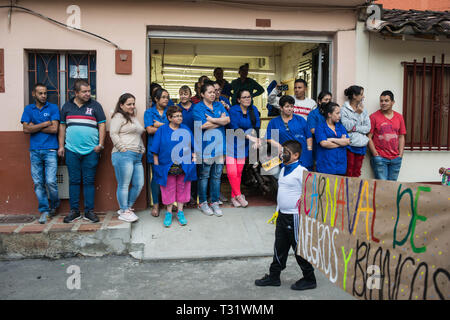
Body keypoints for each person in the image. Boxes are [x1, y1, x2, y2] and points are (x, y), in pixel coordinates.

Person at [255, 140, 317, 291]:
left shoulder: (302, 171)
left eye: (286, 152)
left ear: (296, 155)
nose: (283, 154)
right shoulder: (283, 170)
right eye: (282, 151)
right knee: (279, 247)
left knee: (298, 248)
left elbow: (313, 192)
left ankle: (310, 279)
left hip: (295, 217)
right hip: (282, 216)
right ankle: (274, 276)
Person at [58, 79, 106, 223]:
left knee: (89, 181)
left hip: (91, 151)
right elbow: (62, 127)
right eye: (84, 92)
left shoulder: (95, 106)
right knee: (74, 181)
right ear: (76, 92)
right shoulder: (67, 106)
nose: (88, 94)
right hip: (71, 150)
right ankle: (74, 211)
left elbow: (102, 125)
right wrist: (61, 146)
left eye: (89, 91)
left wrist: (100, 144)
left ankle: (89, 211)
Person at [151, 106, 197, 227]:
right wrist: (157, 166)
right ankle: (169, 213)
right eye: (176, 116)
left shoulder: (186, 129)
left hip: (184, 165)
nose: (179, 118)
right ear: (169, 118)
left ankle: (180, 212)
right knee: (168, 189)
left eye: (180, 116)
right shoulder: (162, 130)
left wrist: (193, 158)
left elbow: (193, 147)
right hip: (166, 166)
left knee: (182, 188)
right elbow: (155, 150)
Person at [21, 83, 60, 224]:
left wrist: (34, 127)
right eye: (40, 93)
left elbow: (54, 129)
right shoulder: (28, 109)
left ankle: (55, 205)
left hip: (50, 150)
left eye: (45, 93)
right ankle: (44, 210)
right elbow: (25, 130)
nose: (43, 96)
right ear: (34, 94)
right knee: (38, 183)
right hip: (35, 150)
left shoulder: (53, 108)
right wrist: (45, 124)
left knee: (50, 182)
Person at [193, 81, 230, 217]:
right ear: (202, 94)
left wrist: (213, 120)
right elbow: (202, 126)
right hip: (206, 148)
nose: (213, 94)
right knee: (204, 176)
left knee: (216, 176)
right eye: (209, 92)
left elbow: (227, 120)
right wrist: (219, 121)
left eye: (214, 92)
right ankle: (202, 202)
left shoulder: (219, 105)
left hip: (220, 146)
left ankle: (214, 202)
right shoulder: (197, 108)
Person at [110, 93, 145, 223]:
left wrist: (142, 148)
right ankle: (124, 210)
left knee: (139, 184)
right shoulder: (118, 117)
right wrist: (122, 148)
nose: (132, 106)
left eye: (133, 104)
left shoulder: (133, 117)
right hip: (123, 154)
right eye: (129, 104)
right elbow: (113, 134)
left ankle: (127, 207)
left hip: (136, 156)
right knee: (124, 184)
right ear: (121, 105)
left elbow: (138, 134)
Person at [227, 89, 261, 208]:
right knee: (232, 172)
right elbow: (235, 128)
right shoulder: (234, 110)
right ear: (238, 100)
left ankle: (233, 197)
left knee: (239, 172)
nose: (248, 99)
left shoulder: (254, 109)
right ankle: (239, 195)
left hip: (244, 145)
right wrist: (250, 138)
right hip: (232, 143)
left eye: (249, 97)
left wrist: (256, 139)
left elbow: (257, 126)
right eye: (244, 97)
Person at [265, 95, 313, 171]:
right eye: (287, 106)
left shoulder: (300, 120)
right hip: (285, 155)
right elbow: (269, 138)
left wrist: (309, 149)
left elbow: (309, 136)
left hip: (303, 155)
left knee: (304, 179)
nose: (290, 109)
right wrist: (279, 146)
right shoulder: (274, 122)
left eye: (291, 106)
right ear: (281, 108)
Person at [367, 90, 406, 181]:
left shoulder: (399, 117)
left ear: (393, 102)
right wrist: (375, 154)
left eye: (386, 101)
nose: (383, 103)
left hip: (396, 158)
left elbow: (401, 136)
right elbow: (369, 137)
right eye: (381, 101)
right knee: (382, 186)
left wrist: (400, 154)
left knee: (392, 187)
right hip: (380, 158)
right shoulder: (373, 117)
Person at [144, 88, 170, 217]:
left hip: (169, 151)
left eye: (167, 97)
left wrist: (159, 125)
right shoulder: (149, 112)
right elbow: (149, 130)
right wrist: (165, 126)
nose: (166, 99)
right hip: (154, 151)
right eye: (164, 97)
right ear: (156, 99)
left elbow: (175, 126)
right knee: (155, 178)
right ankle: (156, 204)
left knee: (169, 177)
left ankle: (168, 203)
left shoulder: (170, 112)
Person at [340, 86, 370, 177]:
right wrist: (357, 114)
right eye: (361, 94)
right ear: (354, 96)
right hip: (350, 144)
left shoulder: (363, 110)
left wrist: (354, 128)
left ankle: (355, 191)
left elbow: (368, 128)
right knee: (349, 170)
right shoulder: (344, 110)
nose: (363, 96)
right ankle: (347, 191)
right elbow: (347, 127)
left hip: (361, 145)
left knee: (357, 172)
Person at [315, 102, 350, 175]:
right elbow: (324, 143)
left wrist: (332, 139)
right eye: (337, 113)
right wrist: (341, 142)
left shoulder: (340, 126)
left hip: (340, 166)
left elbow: (347, 141)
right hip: (326, 167)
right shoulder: (320, 127)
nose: (339, 116)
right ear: (329, 114)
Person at [307, 91, 332, 169]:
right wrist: (329, 132)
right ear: (319, 101)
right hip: (317, 145)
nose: (328, 102)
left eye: (330, 100)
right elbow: (312, 130)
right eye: (326, 100)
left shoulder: (332, 113)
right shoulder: (313, 114)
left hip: (331, 145)